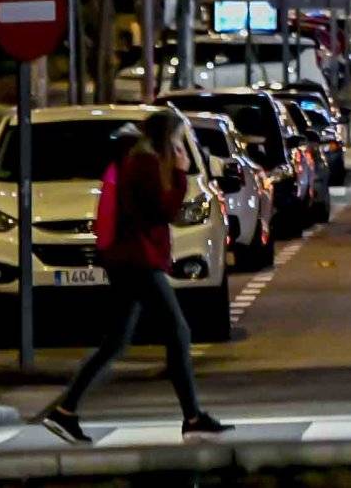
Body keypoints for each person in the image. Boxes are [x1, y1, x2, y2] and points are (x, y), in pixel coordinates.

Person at [38, 111, 229, 443]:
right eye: (178, 139)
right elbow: (162, 211)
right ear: (166, 138)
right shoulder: (144, 163)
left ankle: (65, 411)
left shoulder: (139, 159)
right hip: (137, 261)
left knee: (116, 342)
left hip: (130, 259)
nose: (180, 145)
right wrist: (181, 176)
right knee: (178, 332)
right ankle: (193, 417)